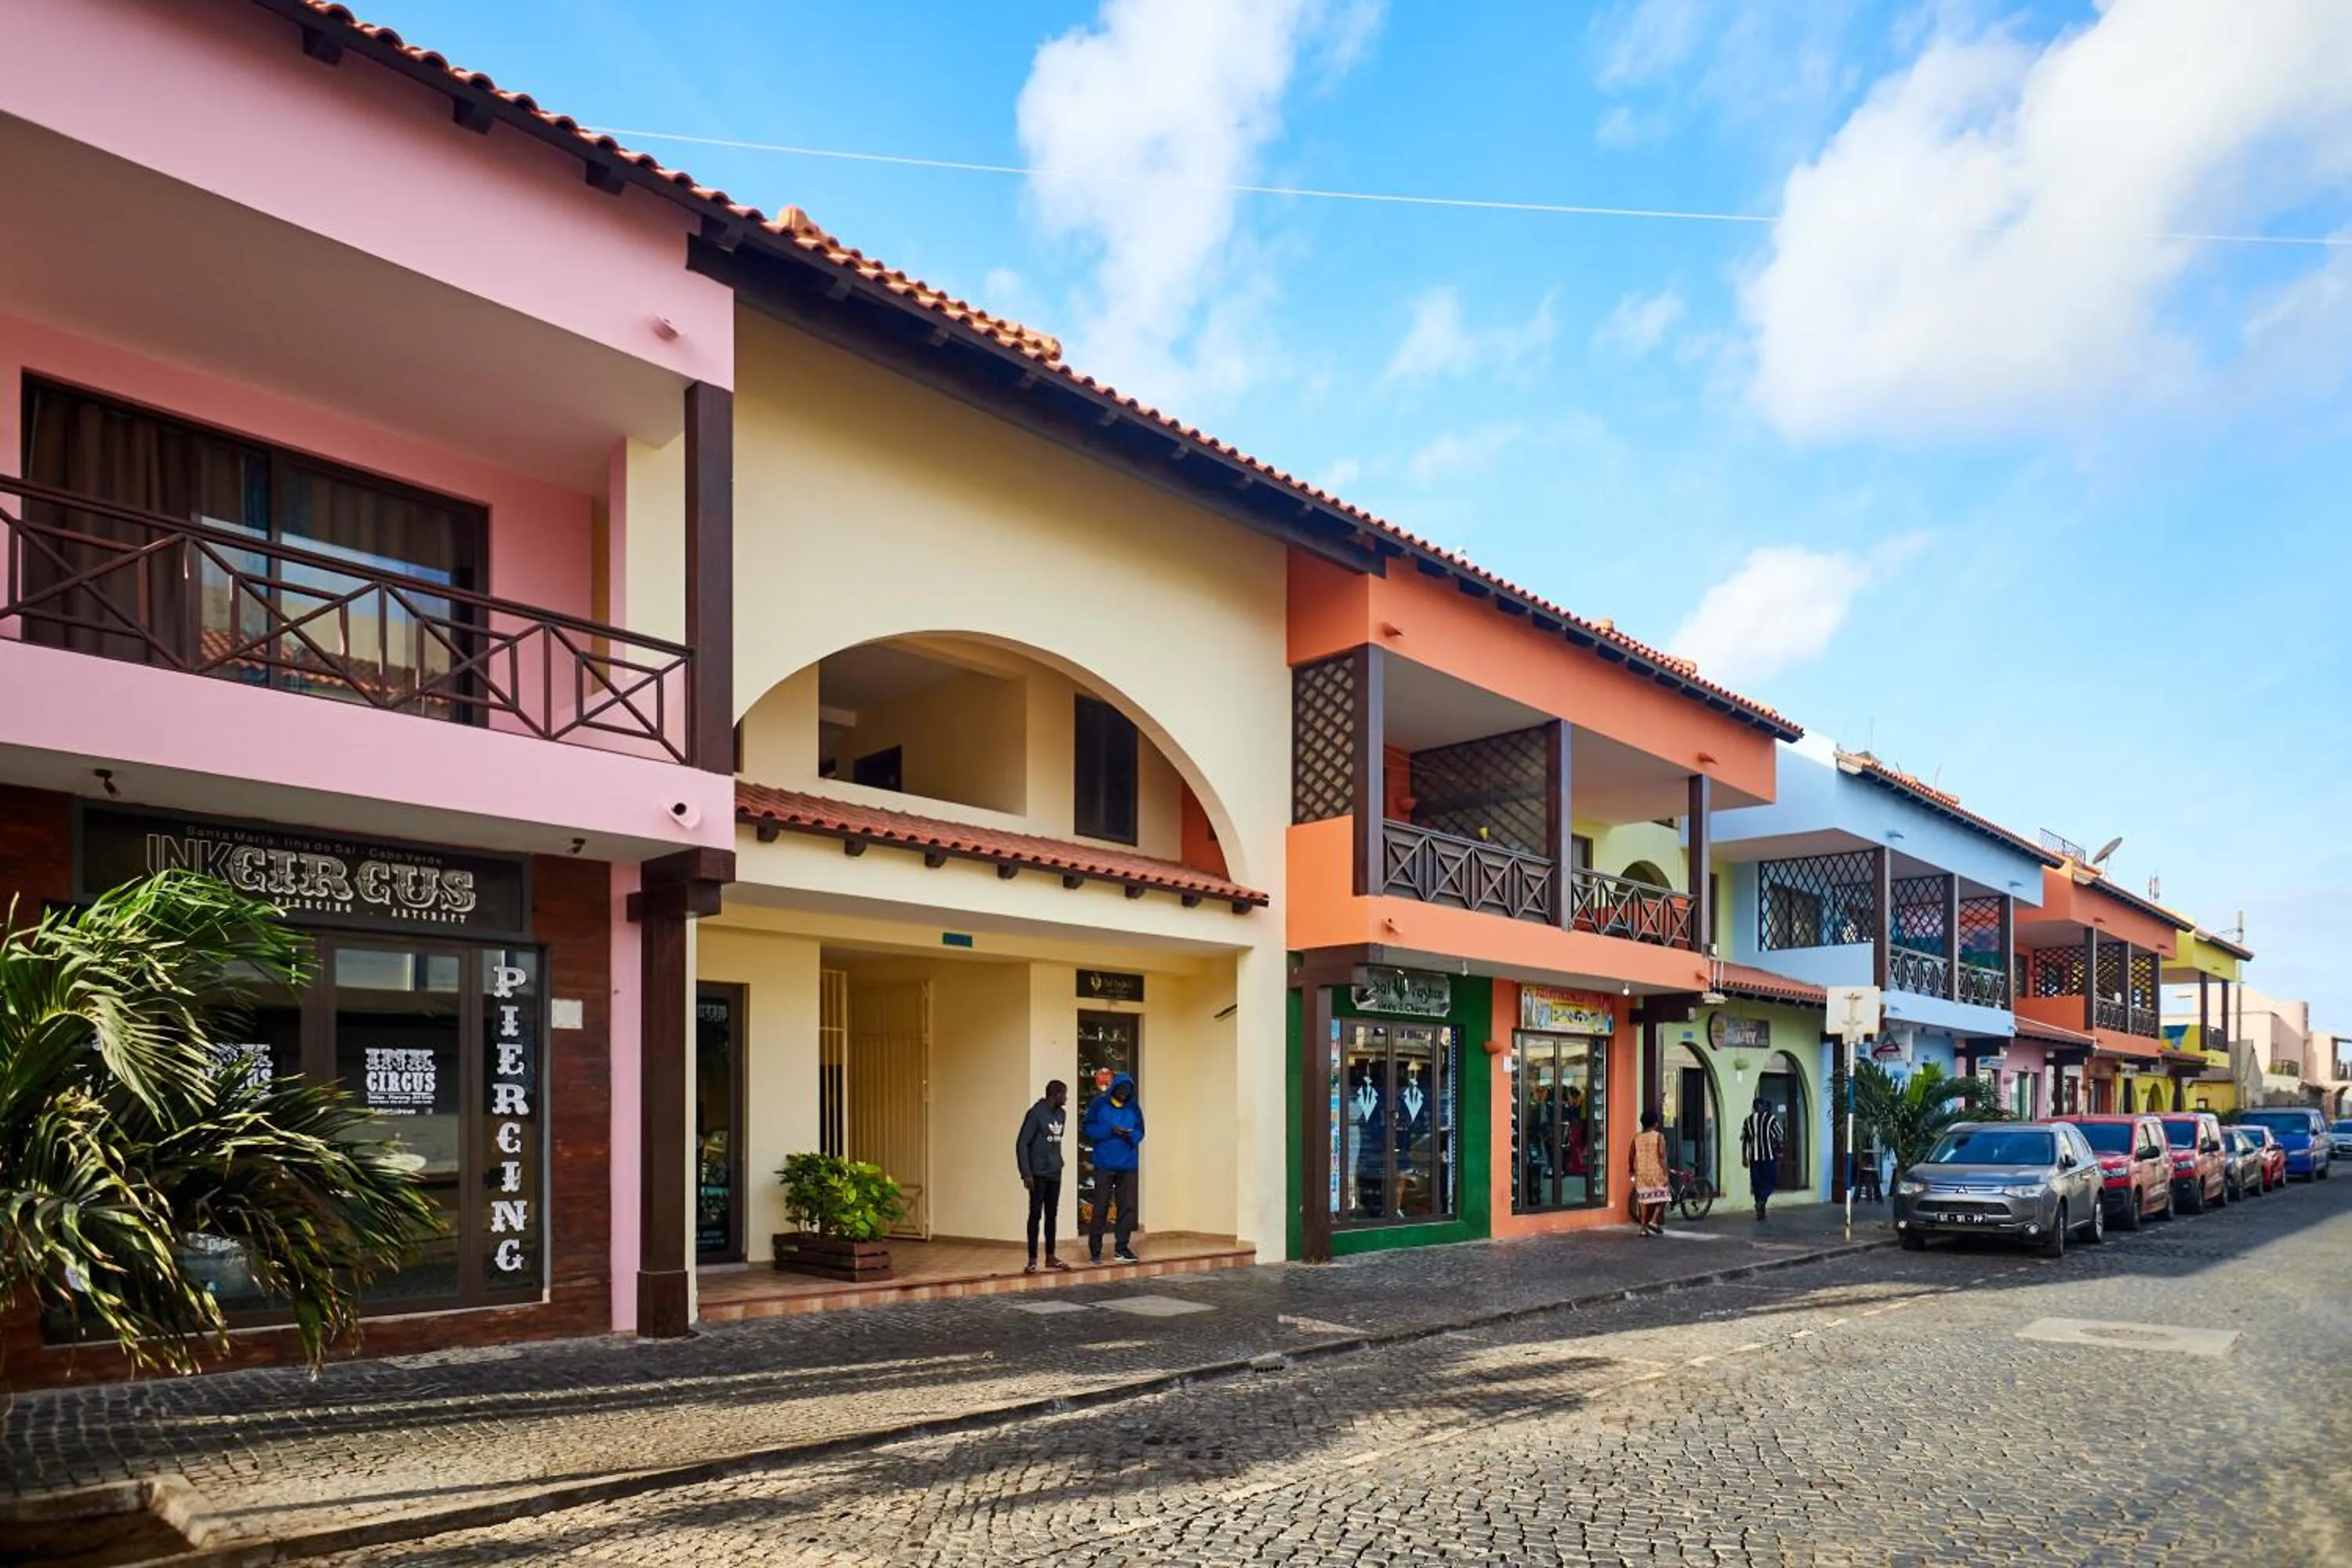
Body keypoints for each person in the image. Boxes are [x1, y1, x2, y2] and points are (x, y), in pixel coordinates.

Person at [1082, 1072, 1145, 1263]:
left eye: (1127, 1093)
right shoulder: (1099, 1104)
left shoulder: (1134, 1107)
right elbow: (1087, 1127)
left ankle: (1122, 1249)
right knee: (1100, 1206)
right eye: (1121, 1092)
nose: (1124, 1095)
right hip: (1104, 1163)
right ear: (1114, 1089)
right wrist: (1110, 1130)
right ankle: (1095, 1251)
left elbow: (1141, 1131)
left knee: (1127, 1207)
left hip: (1128, 1164)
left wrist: (1130, 1135)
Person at [1015, 1079, 1070, 1274]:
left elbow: (1056, 1141)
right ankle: (1032, 1259)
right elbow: (1022, 1143)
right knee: (1035, 1214)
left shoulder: (1062, 1114)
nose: (1066, 1098)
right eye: (1064, 1094)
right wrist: (1026, 1173)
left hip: (1055, 1171)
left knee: (1052, 1214)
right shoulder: (1036, 1114)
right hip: (1038, 1173)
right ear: (1056, 1095)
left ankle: (1050, 1256)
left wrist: (1058, 1162)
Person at [1741, 1095, 1785, 1221]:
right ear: (1761, 1106)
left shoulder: (1748, 1120)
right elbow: (1778, 1136)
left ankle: (1760, 1209)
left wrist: (1744, 1156)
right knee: (1771, 1182)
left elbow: (1745, 1140)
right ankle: (1762, 1202)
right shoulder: (1770, 1119)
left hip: (1754, 1158)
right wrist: (1780, 1151)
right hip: (1768, 1157)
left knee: (1757, 1184)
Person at [1631, 1108, 1671, 1236]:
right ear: (1655, 1123)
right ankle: (1653, 1220)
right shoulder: (1658, 1136)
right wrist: (1666, 1173)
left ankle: (1643, 1228)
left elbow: (1631, 1155)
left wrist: (1631, 1171)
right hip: (1656, 1171)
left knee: (1643, 1199)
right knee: (1664, 1195)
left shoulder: (1637, 1137)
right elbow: (1662, 1156)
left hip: (1641, 1172)